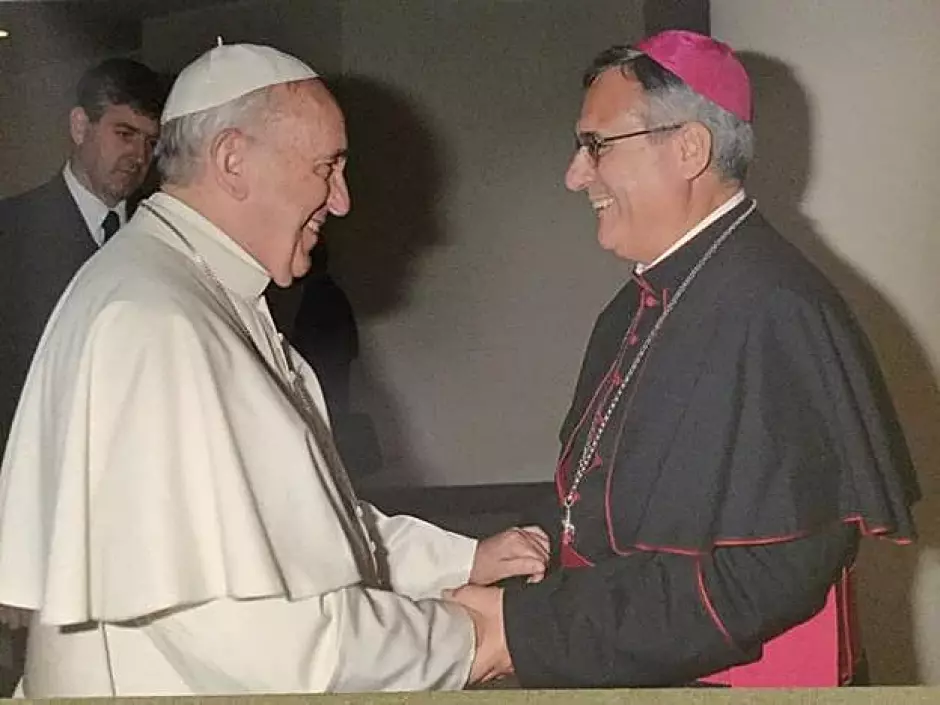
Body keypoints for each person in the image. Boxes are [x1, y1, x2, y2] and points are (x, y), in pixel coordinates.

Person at [0, 43, 548, 696]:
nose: (341, 200)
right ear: (233, 160)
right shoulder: (157, 323)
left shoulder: (198, 289)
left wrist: (460, 561)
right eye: (327, 167)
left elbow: (295, 530)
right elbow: (263, 636)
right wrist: (470, 636)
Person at [448, 30, 919, 688]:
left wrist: (526, 628)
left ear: (689, 149)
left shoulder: (775, 307)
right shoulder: (638, 302)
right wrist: (538, 546)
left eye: (596, 145)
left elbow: (762, 578)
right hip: (629, 653)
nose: (575, 175)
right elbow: (607, 500)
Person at [0, 56, 163, 696]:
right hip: (35, 523)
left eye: (149, 142)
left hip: (133, 530)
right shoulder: (10, 233)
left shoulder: (159, 242)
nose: (138, 156)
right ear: (78, 126)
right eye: (124, 133)